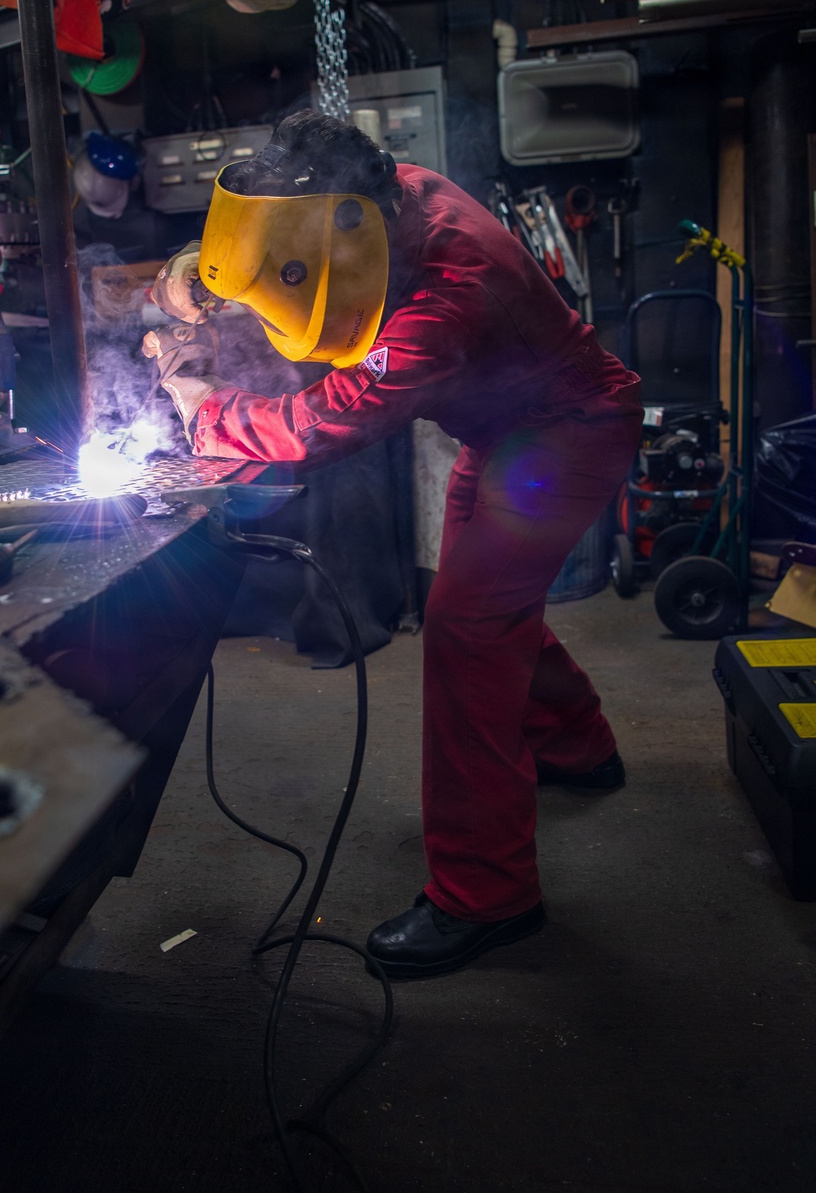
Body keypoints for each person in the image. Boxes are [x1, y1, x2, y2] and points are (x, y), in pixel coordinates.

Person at [143, 110, 642, 980]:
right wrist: (209, 276)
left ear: (349, 223)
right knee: (487, 605)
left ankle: (488, 896)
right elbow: (299, 248)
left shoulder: (449, 294)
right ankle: (577, 745)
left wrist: (204, 410)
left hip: (565, 434)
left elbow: (324, 422)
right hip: (510, 431)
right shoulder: (391, 191)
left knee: (468, 628)